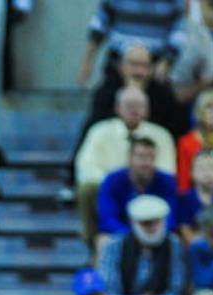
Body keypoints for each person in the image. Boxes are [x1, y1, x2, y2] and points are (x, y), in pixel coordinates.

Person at [74, 84, 177, 246]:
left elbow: (168, 170)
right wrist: (117, 181)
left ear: (147, 109)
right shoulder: (99, 131)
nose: (134, 110)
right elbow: (86, 167)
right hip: (114, 190)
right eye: (129, 105)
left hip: (152, 193)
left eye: (139, 105)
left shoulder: (162, 135)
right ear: (117, 108)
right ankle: (93, 247)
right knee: (87, 189)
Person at [99, 194, 187, 295]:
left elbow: (177, 289)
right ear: (133, 223)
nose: (152, 227)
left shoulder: (174, 245)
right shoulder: (115, 245)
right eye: (146, 223)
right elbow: (108, 290)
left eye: (157, 222)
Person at [97, 136, 181, 252]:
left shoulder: (167, 181)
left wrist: (151, 233)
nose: (146, 163)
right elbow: (107, 219)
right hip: (123, 233)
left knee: (175, 239)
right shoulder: (112, 180)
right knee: (103, 240)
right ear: (130, 158)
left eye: (150, 157)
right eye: (141, 157)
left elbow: (171, 218)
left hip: (156, 233)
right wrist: (136, 234)